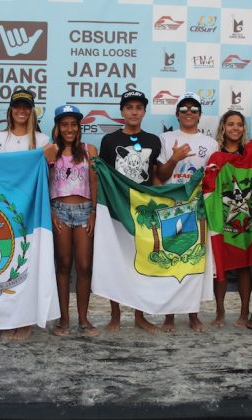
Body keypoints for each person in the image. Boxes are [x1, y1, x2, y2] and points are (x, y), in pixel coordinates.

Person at [0, 88, 53, 342]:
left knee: (29, 264)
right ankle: (8, 319)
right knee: (5, 267)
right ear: (10, 110)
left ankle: (26, 321)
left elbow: (46, 174)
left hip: (32, 212)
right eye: (17, 107)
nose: (22, 111)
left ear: (33, 111)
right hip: (3, 212)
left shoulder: (43, 139)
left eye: (26, 107)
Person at [98, 90, 162, 333]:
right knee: (116, 263)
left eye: (138, 107)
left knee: (141, 265)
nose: (134, 112)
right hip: (116, 210)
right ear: (122, 111)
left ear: (144, 111)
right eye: (129, 107)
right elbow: (104, 176)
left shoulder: (154, 141)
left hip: (142, 212)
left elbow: (156, 178)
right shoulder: (109, 141)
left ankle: (140, 315)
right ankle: (115, 315)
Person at [157, 92, 218, 332]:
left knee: (194, 264)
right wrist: (175, 158)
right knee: (171, 261)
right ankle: (169, 316)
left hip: (197, 211)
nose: (189, 113)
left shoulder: (210, 144)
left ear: (200, 115)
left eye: (194, 109)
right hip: (171, 208)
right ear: (177, 114)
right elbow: (161, 175)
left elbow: (212, 180)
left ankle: (193, 315)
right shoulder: (166, 138)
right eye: (184, 109)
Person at [205, 110, 252, 330]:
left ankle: (250, 311)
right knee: (228, 265)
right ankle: (224, 311)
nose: (235, 128)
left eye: (239, 124)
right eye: (231, 124)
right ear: (223, 127)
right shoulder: (216, 158)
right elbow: (208, 189)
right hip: (227, 220)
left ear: (244, 128)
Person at [50, 105, 99, 337]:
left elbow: (94, 182)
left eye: (73, 124)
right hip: (59, 210)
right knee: (63, 264)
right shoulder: (50, 151)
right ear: (58, 127)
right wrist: (50, 210)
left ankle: (83, 318)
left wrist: (93, 213)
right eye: (64, 124)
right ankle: (64, 319)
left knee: (84, 266)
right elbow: (45, 182)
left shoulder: (89, 150)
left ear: (79, 127)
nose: (69, 128)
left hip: (83, 210)